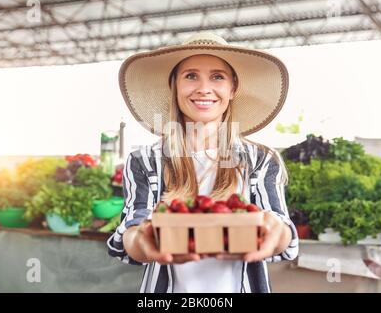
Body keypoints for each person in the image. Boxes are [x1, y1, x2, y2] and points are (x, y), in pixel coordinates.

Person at [107, 32, 299, 293]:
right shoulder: (144, 162)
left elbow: (280, 226)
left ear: (233, 89)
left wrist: (276, 232)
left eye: (217, 77)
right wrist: (142, 239)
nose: (203, 89)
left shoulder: (261, 160)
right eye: (191, 76)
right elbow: (132, 229)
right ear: (174, 86)